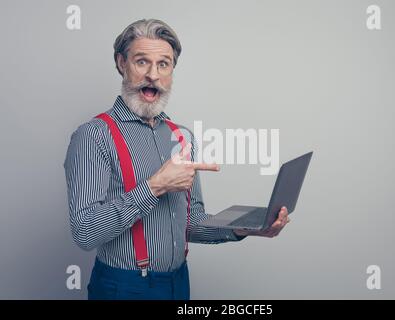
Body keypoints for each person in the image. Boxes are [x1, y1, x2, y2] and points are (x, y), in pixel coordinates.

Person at [64, 18, 289, 300]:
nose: (153, 75)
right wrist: (155, 186)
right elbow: (85, 232)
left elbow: (192, 222)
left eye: (163, 64)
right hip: (123, 287)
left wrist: (245, 229)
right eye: (142, 62)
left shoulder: (182, 137)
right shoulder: (93, 136)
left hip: (179, 284)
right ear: (122, 63)